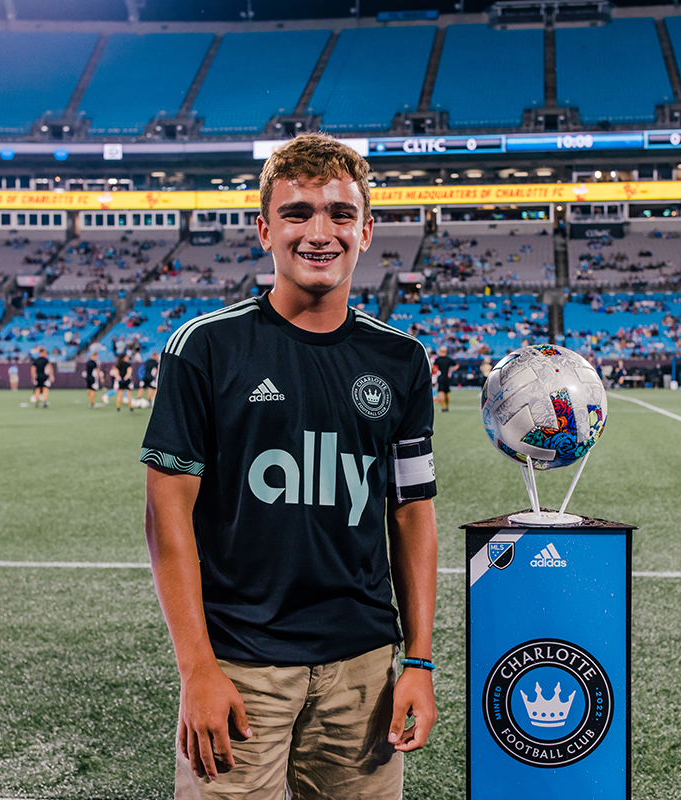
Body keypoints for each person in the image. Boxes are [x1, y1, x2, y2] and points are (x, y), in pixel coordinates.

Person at [141, 132, 438, 800]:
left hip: (363, 669)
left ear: (366, 232)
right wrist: (197, 670)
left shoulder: (402, 360)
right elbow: (168, 515)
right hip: (240, 666)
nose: (319, 232)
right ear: (264, 230)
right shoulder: (204, 349)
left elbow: (412, 512)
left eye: (339, 214)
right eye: (297, 213)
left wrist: (417, 659)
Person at [434, 345, 458, 411]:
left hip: (440, 376)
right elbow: (456, 365)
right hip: (446, 377)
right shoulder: (448, 359)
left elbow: (433, 368)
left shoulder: (438, 360)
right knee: (447, 392)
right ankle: (447, 407)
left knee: (441, 392)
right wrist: (450, 370)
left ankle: (443, 408)